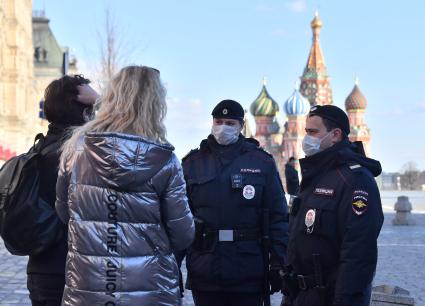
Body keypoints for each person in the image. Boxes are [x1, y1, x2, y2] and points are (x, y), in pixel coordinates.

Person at [55, 66, 195, 306]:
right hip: (151, 288)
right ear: (155, 104)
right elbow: (182, 235)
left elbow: (64, 212)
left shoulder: (74, 151)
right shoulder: (164, 160)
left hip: (88, 285)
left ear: (111, 98)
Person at [181, 99, 288, 306]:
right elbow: (179, 219)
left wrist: (278, 263)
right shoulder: (193, 163)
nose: (223, 127)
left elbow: (278, 217)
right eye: (219, 121)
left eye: (230, 123)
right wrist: (172, 266)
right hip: (205, 268)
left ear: (241, 126)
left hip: (247, 269)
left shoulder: (261, 162)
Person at [285, 105, 384, 306]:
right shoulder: (317, 174)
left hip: (329, 297)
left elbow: (358, 255)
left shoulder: (355, 179)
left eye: (313, 132)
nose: (307, 139)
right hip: (302, 295)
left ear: (335, 135)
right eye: (306, 132)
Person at [26, 74, 97, 306]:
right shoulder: (82, 155)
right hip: (75, 271)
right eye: (93, 106)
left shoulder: (39, 149)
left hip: (42, 268)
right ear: (83, 112)